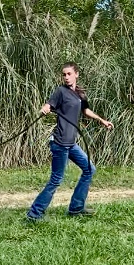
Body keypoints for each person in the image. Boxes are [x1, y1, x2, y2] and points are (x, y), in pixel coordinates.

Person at [26, 62, 113, 221]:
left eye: (69, 74)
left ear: (76, 74)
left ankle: (76, 208)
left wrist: (102, 120)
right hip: (59, 143)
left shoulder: (80, 94)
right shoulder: (60, 91)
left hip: (71, 143)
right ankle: (34, 214)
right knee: (56, 180)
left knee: (89, 169)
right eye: (64, 74)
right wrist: (45, 108)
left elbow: (85, 111)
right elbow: (48, 105)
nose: (66, 77)